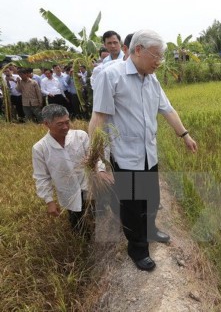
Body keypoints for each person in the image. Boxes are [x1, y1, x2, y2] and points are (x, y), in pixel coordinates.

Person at [89, 29, 198, 272]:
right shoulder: (111, 76)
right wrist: (95, 161)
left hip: (149, 154)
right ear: (138, 50)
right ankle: (137, 249)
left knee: (151, 200)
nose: (160, 62)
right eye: (156, 56)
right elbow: (99, 118)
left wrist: (185, 134)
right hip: (125, 157)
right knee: (132, 206)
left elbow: (167, 109)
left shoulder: (152, 78)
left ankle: (150, 230)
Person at [32, 105, 94, 234]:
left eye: (67, 122)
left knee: (99, 218)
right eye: (59, 124)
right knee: (79, 226)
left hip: (90, 186)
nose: (65, 127)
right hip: (69, 192)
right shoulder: (40, 148)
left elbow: (95, 159)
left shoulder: (81, 136)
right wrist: (49, 201)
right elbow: (42, 177)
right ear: (46, 124)